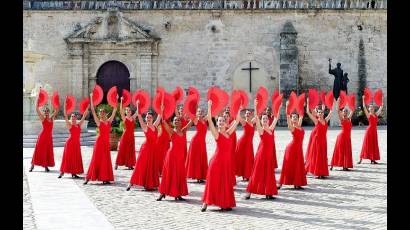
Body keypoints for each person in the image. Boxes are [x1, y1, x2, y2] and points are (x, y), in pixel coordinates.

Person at [201, 100, 242, 212]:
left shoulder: (228, 132)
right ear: (217, 123)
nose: (221, 122)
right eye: (219, 121)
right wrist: (209, 106)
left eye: (222, 121)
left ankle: (223, 203)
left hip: (226, 163)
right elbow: (209, 120)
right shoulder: (216, 134)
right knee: (213, 182)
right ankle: (205, 203)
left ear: (225, 122)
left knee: (224, 183)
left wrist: (239, 109)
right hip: (216, 162)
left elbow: (237, 120)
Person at [244, 99, 280, 200]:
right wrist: (255, 106)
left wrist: (278, 106)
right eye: (263, 119)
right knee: (257, 173)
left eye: (265, 119)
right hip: (261, 155)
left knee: (268, 173)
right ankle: (249, 192)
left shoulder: (271, 129)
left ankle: (268, 192)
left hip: (269, 155)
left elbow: (276, 118)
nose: (264, 121)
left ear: (268, 120)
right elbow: (256, 117)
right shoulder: (261, 130)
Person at [126, 101, 162, 191]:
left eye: (150, 117)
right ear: (145, 119)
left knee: (152, 166)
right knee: (140, 166)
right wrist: (138, 104)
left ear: (152, 118)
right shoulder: (144, 126)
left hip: (154, 149)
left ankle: (151, 184)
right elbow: (138, 115)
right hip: (146, 149)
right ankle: (131, 183)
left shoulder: (155, 125)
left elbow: (160, 115)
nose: (148, 118)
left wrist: (161, 108)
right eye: (147, 117)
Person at [84, 93, 117, 185]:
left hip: (106, 143)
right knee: (97, 159)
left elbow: (114, 110)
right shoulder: (99, 122)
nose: (102, 113)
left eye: (103, 112)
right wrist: (91, 98)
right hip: (99, 143)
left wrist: (116, 100)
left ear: (105, 113)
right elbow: (93, 111)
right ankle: (89, 177)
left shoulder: (109, 121)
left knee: (105, 159)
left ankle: (105, 178)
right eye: (101, 112)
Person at [156, 115, 191, 201]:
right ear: (173, 122)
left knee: (179, 174)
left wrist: (193, 113)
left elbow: (191, 122)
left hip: (180, 156)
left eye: (178, 120)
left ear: (181, 122)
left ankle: (178, 193)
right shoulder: (171, 131)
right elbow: (164, 122)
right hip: (171, 156)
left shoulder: (183, 130)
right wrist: (162, 111)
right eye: (175, 120)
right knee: (168, 174)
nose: (176, 121)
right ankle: (162, 193)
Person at [278, 102, 306, 190]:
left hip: (298, 149)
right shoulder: (292, 127)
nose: (294, 118)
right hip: (292, 149)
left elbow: (301, 114)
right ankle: (281, 183)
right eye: (293, 117)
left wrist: (302, 106)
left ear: (298, 119)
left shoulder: (300, 126)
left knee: (297, 166)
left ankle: (297, 183)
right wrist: (287, 107)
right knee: (289, 166)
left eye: (295, 117)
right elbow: (288, 117)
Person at [58, 102, 89, 178]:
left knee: (75, 158)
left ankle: (74, 173)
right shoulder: (69, 125)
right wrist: (65, 106)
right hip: (70, 143)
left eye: (74, 116)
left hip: (76, 144)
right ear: (71, 118)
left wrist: (87, 108)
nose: (73, 117)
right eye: (72, 116)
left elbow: (84, 116)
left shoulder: (79, 125)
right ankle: (62, 172)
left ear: (76, 118)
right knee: (67, 157)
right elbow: (65, 116)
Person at [29, 95, 59, 172]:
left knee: (47, 151)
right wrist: (37, 101)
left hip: (49, 138)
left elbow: (57, 109)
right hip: (42, 137)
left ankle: (46, 166)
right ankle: (32, 166)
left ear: (49, 112)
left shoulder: (52, 118)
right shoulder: (43, 118)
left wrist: (55, 101)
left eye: (47, 111)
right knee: (38, 150)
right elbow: (37, 110)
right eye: (45, 111)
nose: (46, 113)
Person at [305, 98, 332, 179]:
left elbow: (331, 112)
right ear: (317, 113)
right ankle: (317, 172)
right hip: (316, 141)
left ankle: (322, 172)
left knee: (322, 156)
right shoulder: (316, 121)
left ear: (323, 113)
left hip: (323, 141)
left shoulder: (326, 120)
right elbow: (308, 112)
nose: (320, 113)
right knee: (317, 156)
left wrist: (331, 102)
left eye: (321, 112)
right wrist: (308, 102)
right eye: (319, 112)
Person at [357, 96, 383, 164]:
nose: (371, 108)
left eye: (372, 107)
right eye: (370, 107)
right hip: (369, 131)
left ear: (374, 109)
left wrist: (381, 100)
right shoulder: (368, 115)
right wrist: (363, 99)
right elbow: (364, 107)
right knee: (366, 144)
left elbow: (381, 107)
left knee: (374, 145)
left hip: (374, 131)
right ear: (369, 109)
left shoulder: (376, 114)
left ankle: (373, 159)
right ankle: (360, 159)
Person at [186, 108, 208, 183]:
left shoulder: (205, 119)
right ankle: (197, 176)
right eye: (198, 111)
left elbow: (212, 114)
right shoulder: (195, 120)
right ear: (196, 113)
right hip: (196, 141)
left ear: (203, 113)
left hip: (202, 142)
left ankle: (200, 176)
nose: (200, 112)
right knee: (196, 158)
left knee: (201, 158)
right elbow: (189, 114)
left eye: (201, 111)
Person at [115, 97, 138, 170]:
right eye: (127, 110)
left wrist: (137, 104)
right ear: (126, 112)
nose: (128, 111)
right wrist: (121, 100)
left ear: (131, 112)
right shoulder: (124, 118)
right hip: (125, 136)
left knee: (130, 150)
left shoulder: (133, 117)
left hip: (131, 136)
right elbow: (121, 110)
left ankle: (130, 164)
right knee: (122, 149)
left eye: (129, 110)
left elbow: (137, 112)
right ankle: (117, 164)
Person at [330, 103, 353, 171]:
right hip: (342, 137)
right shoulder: (342, 119)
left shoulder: (349, 118)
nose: (345, 112)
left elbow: (352, 110)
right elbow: (337, 111)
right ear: (342, 113)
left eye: (346, 111)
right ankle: (332, 165)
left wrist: (351, 102)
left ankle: (345, 166)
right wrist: (339, 102)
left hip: (347, 137)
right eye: (343, 111)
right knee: (339, 151)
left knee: (346, 152)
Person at [235, 109, 256, 181]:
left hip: (249, 144)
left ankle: (247, 174)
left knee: (248, 158)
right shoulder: (244, 122)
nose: (247, 114)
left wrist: (257, 106)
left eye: (249, 113)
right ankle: (245, 175)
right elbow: (238, 117)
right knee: (243, 158)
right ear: (244, 115)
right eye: (246, 113)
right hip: (243, 143)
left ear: (251, 115)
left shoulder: (253, 122)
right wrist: (239, 110)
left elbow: (257, 115)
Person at [223, 111, 237, 186]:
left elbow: (237, 120)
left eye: (226, 116)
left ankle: (230, 182)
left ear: (229, 117)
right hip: (224, 148)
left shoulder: (232, 124)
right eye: (224, 116)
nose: (225, 117)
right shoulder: (221, 125)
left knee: (230, 165)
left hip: (231, 147)